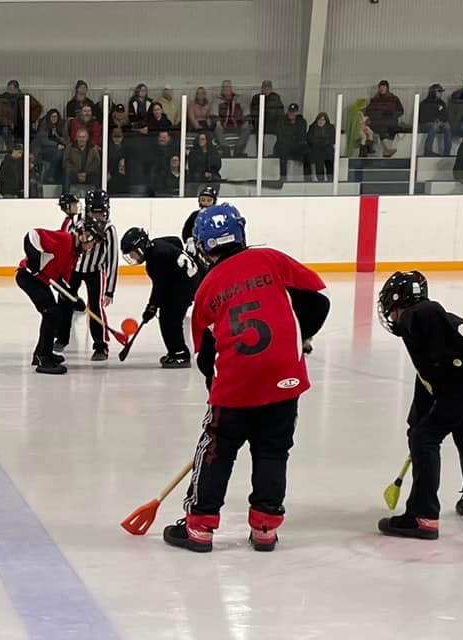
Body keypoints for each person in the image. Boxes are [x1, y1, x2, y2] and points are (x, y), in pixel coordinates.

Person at [165, 203, 331, 553]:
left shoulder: (207, 287)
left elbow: (204, 355)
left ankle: (199, 526)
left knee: (216, 449)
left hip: (236, 385)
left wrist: (218, 394)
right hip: (285, 377)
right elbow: (318, 302)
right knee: (273, 450)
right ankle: (265, 529)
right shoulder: (270, 258)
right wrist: (298, 339)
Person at [375, 270, 463, 540]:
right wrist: (418, 419)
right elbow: (427, 379)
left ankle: (422, 516)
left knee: (426, 438)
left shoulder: (418, 314)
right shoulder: (429, 330)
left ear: (395, 301)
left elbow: (443, 369)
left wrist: (420, 429)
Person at [17, 219, 97, 375]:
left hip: (40, 281)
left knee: (54, 314)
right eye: (91, 241)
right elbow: (32, 235)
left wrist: (75, 299)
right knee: (51, 313)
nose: (91, 246)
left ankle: (40, 353)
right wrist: (34, 261)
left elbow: (61, 282)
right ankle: (43, 357)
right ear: (83, 235)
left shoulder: (74, 255)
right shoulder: (65, 240)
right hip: (28, 277)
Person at [120, 226, 200, 368]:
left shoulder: (155, 259)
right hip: (184, 282)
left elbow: (159, 288)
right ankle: (174, 352)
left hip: (183, 287)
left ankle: (180, 354)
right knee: (168, 316)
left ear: (140, 247)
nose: (133, 258)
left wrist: (151, 308)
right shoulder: (156, 245)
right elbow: (175, 241)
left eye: (133, 254)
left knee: (169, 320)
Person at [57, 190, 119, 359]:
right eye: (94, 212)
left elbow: (112, 260)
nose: (98, 216)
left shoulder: (109, 229)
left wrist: (110, 290)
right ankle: (61, 338)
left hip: (95, 272)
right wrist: (61, 274)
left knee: (95, 307)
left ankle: (100, 345)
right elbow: (65, 247)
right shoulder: (75, 222)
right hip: (74, 270)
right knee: (64, 302)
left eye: (101, 212)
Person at [365, 80, 404, 157]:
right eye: (380, 87)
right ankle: (387, 150)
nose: (382, 88)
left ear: (387, 88)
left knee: (383, 128)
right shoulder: (374, 99)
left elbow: (400, 111)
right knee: (381, 128)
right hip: (378, 121)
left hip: (389, 121)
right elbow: (368, 111)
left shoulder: (394, 98)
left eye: (384, 86)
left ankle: (384, 150)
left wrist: (391, 114)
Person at [274, 103, 309, 181]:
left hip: (296, 146)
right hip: (284, 145)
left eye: (294, 112)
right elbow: (280, 136)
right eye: (290, 111)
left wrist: (296, 144)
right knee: (283, 152)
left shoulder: (302, 122)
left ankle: (307, 179)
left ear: (297, 112)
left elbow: (302, 136)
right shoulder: (281, 121)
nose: (291, 114)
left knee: (308, 153)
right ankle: (283, 178)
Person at [248, 80, 285, 153]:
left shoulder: (276, 98)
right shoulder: (256, 98)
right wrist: (252, 123)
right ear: (261, 88)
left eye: (268, 87)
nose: (266, 89)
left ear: (271, 88)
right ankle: (260, 154)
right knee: (259, 130)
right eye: (264, 87)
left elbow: (280, 112)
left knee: (282, 130)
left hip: (273, 123)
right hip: (260, 123)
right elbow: (253, 112)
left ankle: (278, 152)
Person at [33, 109, 67, 184]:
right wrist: (56, 145)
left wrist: (58, 136)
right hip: (43, 150)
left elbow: (67, 140)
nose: (54, 118)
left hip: (59, 150)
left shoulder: (61, 126)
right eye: (52, 116)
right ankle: (50, 175)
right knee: (58, 153)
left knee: (64, 154)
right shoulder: (44, 125)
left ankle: (60, 178)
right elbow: (43, 141)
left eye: (56, 117)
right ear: (49, 117)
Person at [63, 128, 100, 196]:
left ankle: (97, 198)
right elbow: (66, 162)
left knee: (97, 174)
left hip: (88, 174)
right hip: (74, 174)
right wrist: (77, 173)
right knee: (67, 172)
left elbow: (96, 162)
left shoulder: (93, 148)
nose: (81, 139)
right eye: (79, 137)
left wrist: (86, 173)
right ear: (76, 138)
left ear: (87, 138)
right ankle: (66, 196)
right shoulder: (70, 147)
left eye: (83, 137)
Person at [215, 81, 247, 157]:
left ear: (231, 88)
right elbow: (214, 114)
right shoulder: (217, 100)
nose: (226, 89)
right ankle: (226, 151)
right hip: (223, 126)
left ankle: (238, 151)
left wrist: (245, 121)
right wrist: (217, 122)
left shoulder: (239, 99)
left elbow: (246, 111)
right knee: (217, 129)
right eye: (224, 87)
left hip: (237, 126)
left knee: (247, 128)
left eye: (227, 87)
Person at [418, 84, 450, 157]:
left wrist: (440, 120)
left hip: (439, 123)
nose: (441, 93)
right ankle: (427, 151)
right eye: (439, 91)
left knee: (447, 126)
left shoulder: (442, 103)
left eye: (441, 92)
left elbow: (446, 116)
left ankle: (447, 152)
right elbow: (422, 118)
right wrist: (434, 121)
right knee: (434, 126)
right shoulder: (424, 103)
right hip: (426, 125)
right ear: (433, 92)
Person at [306, 112, 335, 182]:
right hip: (317, 150)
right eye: (319, 119)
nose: (321, 121)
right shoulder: (312, 127)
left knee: (329, 163)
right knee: (318, 163)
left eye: (323, 119)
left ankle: (331, 180)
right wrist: (322, 141)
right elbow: (310, 139)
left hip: (327, 149)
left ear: (326, 120)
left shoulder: (331, 127)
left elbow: (332, 139)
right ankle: (320, 180)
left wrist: (321, 141)